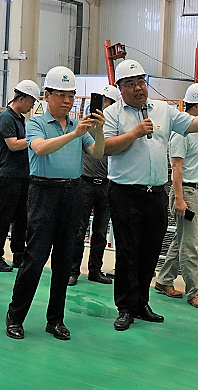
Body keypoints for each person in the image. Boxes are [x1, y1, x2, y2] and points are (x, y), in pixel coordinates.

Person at [103, 59, 198, 331]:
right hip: (125, 193)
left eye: (140, 82)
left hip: (155, 192)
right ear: (120, 88)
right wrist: (134, 133)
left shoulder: (163, 110)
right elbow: (106, 147)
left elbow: (193, 124)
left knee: (150, 251)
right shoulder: (112, 114)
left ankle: (141, 303)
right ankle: (126, 307)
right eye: (130, 84)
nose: (138, 88)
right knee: (128, 252)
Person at [5, 67, 105, 342]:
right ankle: (15, 316)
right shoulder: (36, 123)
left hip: (72, 192)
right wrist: (74, 134)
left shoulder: (78, 126)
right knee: (35, 258)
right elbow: (39, 148)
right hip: (43, 192)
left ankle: (56, 320)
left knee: (63, 259)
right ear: (47, 95)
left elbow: (97, 152)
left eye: (71, 95)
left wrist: (98, 131)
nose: (67, 101)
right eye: (61, 95)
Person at [155, 83, 198, 310]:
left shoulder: (197, 131)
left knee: (181, 239)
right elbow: (176, 167)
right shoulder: (182, 132)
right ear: (197, 105)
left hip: (197, 191)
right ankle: (194, 291)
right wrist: (180, 199)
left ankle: (164, 280)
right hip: (187, 192)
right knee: (189, 245)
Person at [69, 84, 120, 286]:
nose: (104, 106)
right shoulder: (86, 124)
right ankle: (73, 270)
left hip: (106, 184)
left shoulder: (115, 127)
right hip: (85, 183)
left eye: (108, 102)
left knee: (100, 231)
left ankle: (95, 270)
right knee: (79, 229)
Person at [0, 79, 39, 272]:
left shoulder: (19, 118)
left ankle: (19, 255)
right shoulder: (6, 118)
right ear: (22, 98)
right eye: (31, 102)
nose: (32, 106)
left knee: (22, 219)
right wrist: (34, 140)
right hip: (10, 176)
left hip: (23, 175)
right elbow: (13, 144)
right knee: (4, 217)